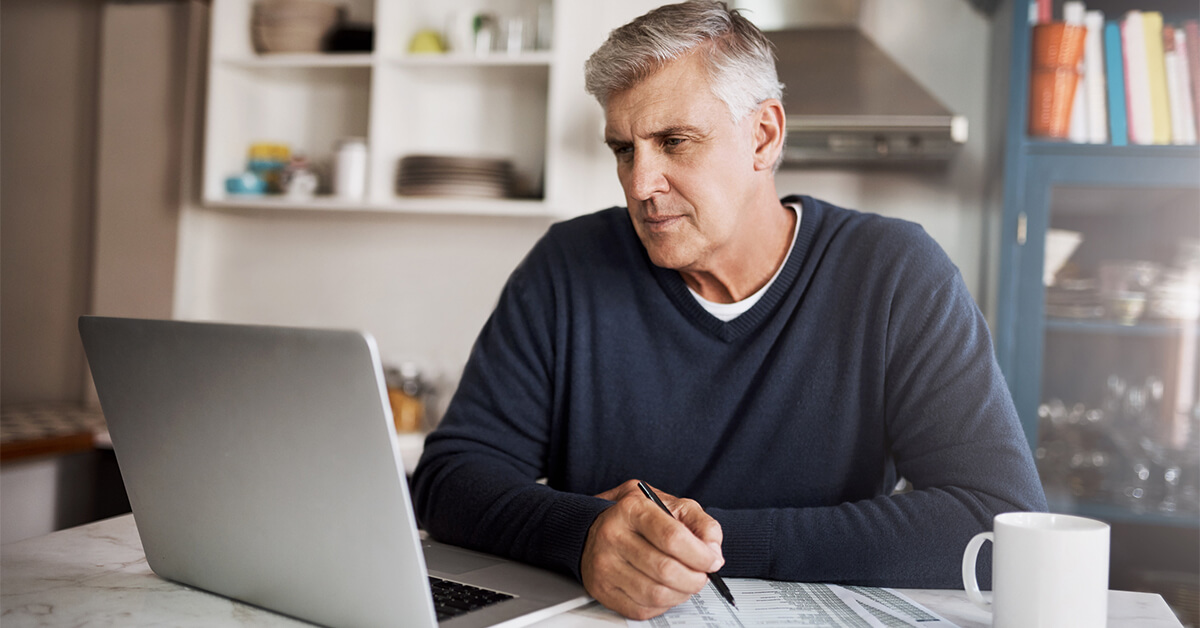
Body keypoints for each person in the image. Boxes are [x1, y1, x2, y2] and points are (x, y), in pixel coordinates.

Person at [412, 0, 1046, 620]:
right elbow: (447, 479)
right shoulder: (568, 265)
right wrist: (583, 533)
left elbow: (995, 522)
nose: (640, 184)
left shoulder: (894, 272)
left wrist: (690, 544)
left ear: (763, 136)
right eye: (624, 150)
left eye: (674, 141)